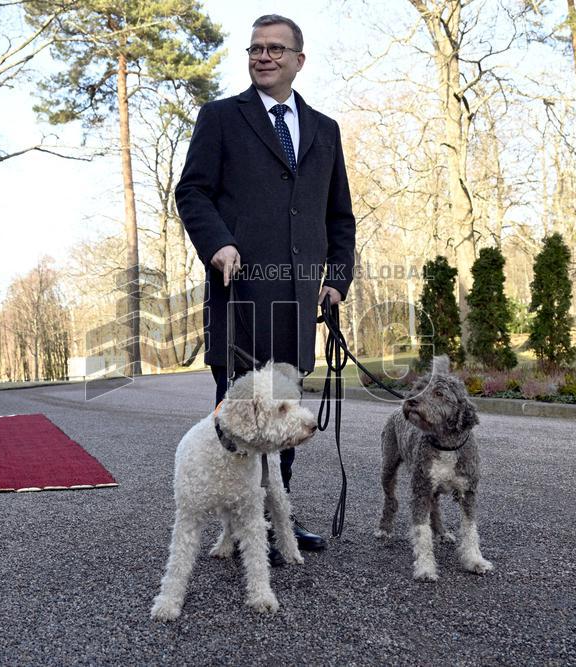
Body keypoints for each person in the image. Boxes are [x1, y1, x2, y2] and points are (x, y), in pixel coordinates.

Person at [175, 14, 356, 561]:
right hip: (241, 296)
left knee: (285, 418)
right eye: (256, 48)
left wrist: (337, 279)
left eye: (277, 48)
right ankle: (235, 526)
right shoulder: (221, 118)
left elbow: (338, 216)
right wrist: (218, 244)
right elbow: (193, 192)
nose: (264, 56)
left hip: (298, 299)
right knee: (239, 418)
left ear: (298, 60)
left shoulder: (325, 130)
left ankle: (277, 520)